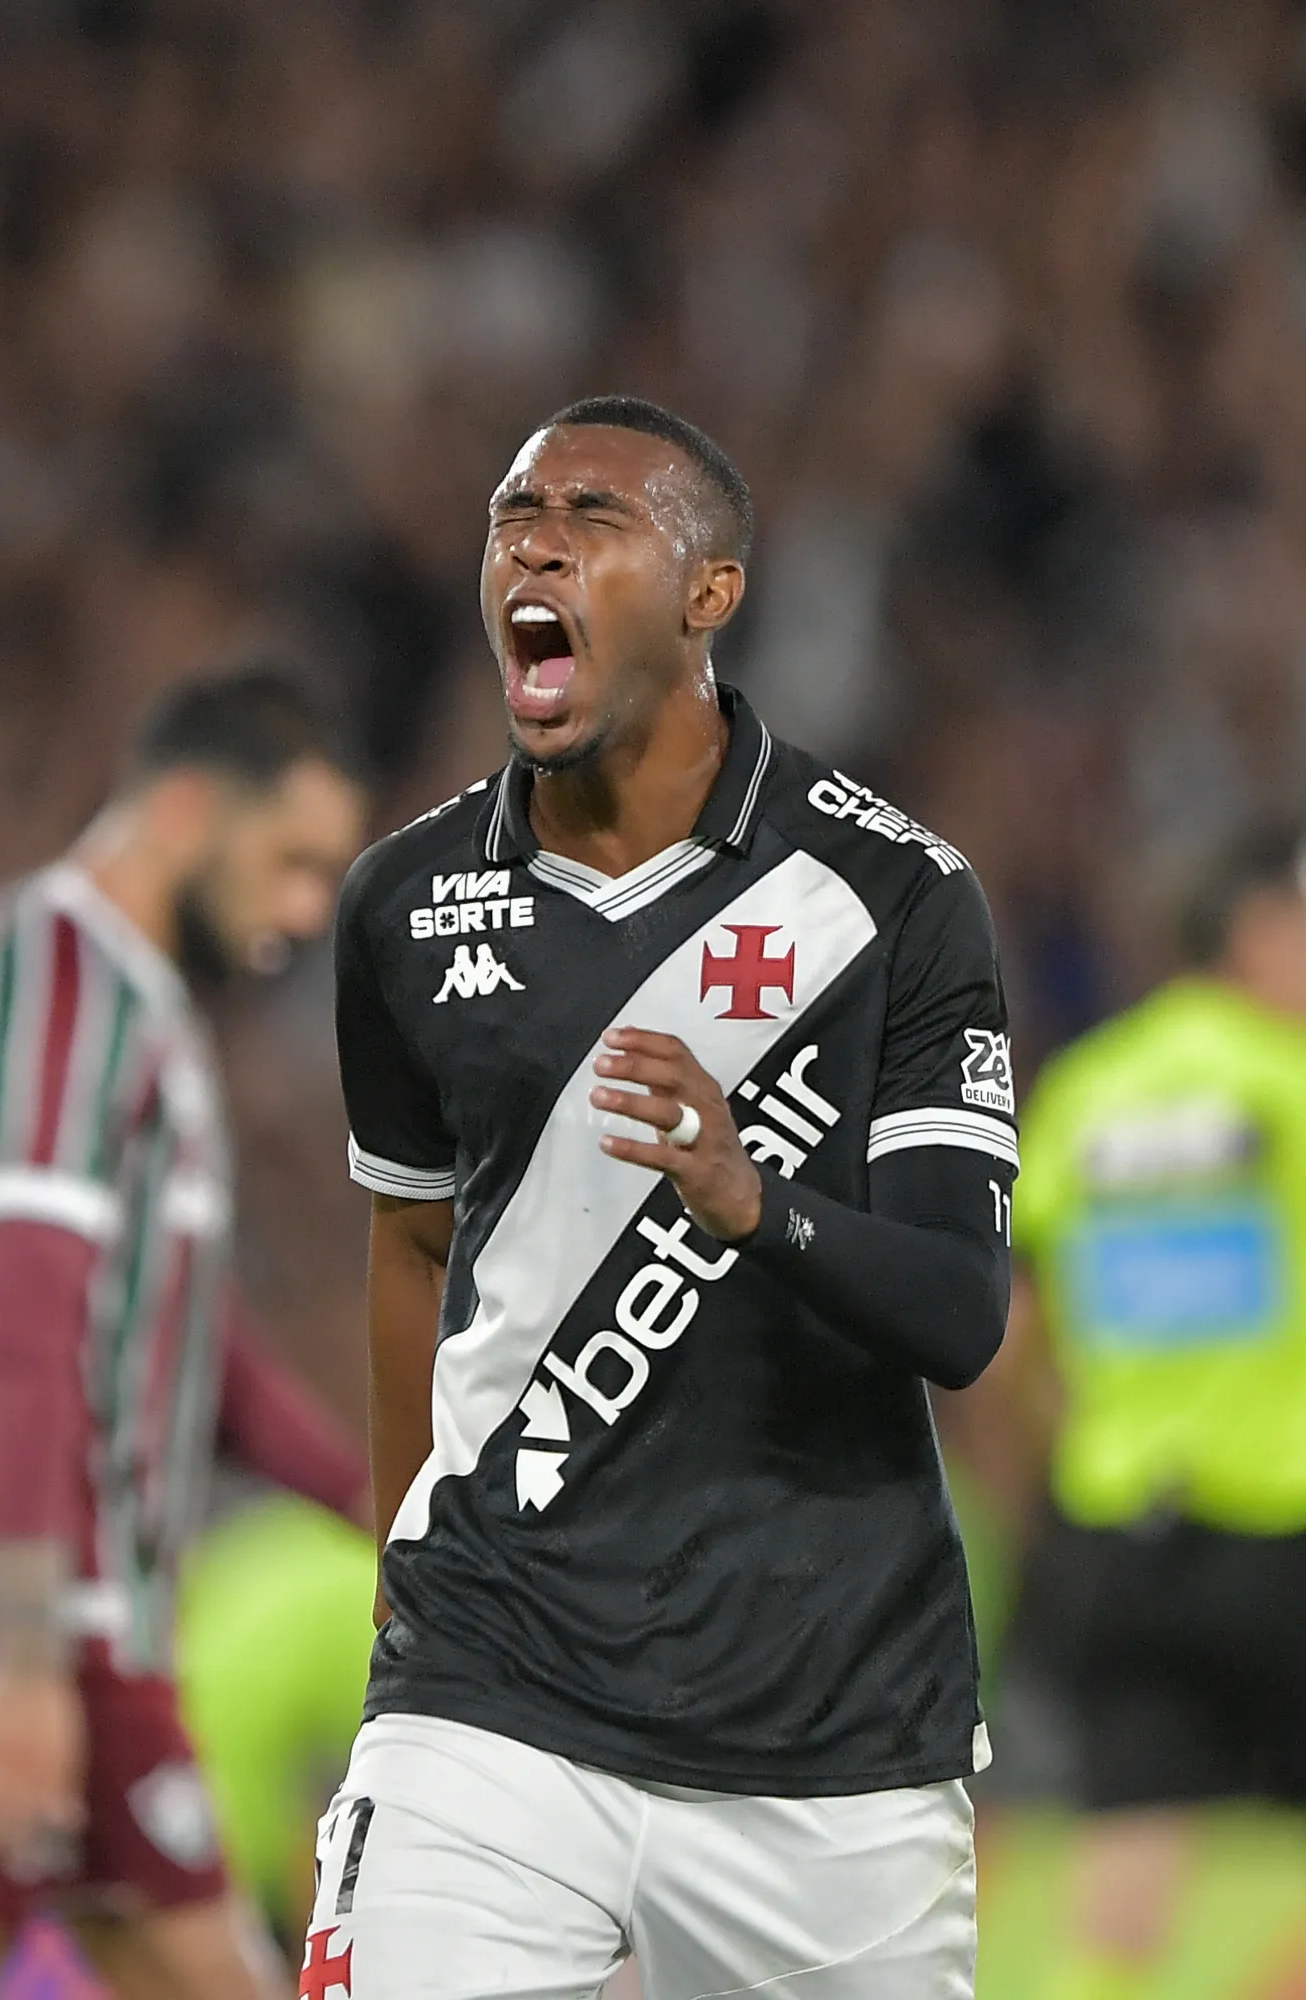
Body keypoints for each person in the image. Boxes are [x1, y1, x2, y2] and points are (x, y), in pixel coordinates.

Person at [320, 396, 1016, 1999]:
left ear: (712, 595)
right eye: (513, 514)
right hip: (491, 1687)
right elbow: (414, 1237)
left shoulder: (895, 899)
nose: (536, 543)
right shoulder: (408, 904)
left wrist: (755, 1199)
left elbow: (961, 1310)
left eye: (594, 515)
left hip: (826, 1725)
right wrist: (399, 1580)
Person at [0, 668, 371, 2000]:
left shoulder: (127, 1002)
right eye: (290, 863)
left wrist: (373, 1501)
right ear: (188, 811)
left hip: (30, 1619)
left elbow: (195, 1338)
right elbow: (23, 1317)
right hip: (41, 1620)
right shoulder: (60, 977)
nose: (305, 913)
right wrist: (26, 1655)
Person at [994, 825, 1306, 2000]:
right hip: (1305, 1528)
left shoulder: (1090, 1093)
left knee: (1126, 1862)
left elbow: (1019, 1341)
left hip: (1125, 1534)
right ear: (1262, 934)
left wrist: (1065, 1461)